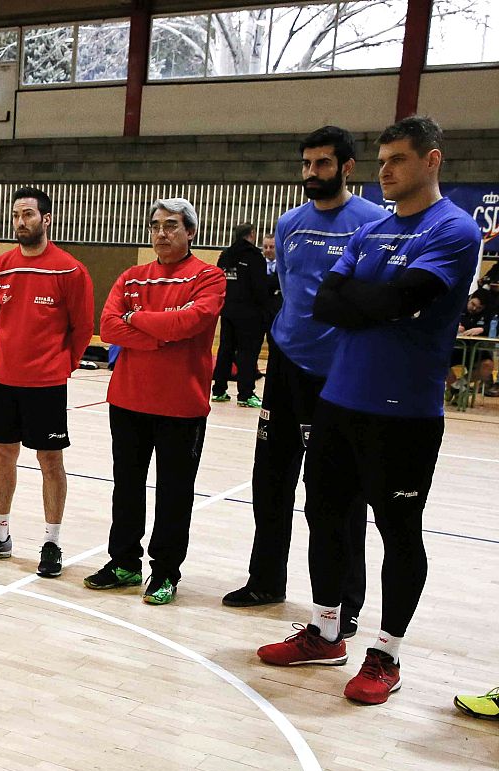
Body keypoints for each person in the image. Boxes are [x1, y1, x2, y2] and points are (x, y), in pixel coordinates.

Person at [257, 116, 482, 705]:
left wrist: (374, 301)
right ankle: (327, 632)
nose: (386, 171)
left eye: (398, 159)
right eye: (382, 160)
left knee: (398, 532)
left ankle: (386, 654)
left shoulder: (454, 230)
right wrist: (377, 303)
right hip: (339, 399)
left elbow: (402, 299)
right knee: (325, 516)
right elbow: (328, 304)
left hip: (404, 412)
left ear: (432, 160)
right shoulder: (371, 229)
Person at [223, 126, 382, 630]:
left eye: (323, 164)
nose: (312, 173)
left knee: (338, 493)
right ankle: (265, 579)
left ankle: (344, 602)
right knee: (270, 479)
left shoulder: (374, 223)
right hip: (286, 366)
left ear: (347, 167)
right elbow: (291, 290)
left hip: (339, 374)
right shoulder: (290, 222)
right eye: (307, 164)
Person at [85, 197, 225, 605]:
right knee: (127, 487)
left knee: (174, 494)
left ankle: (165, 572)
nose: (161, 233)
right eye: (155, 226)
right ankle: (124, 562)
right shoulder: (132, 277)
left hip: (182, 406)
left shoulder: (209, 276)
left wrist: (137, 320)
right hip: (128, 400)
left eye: (171, 225)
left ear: (190, 231)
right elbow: (109, 326)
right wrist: (160, 335)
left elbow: (191, 322)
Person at [0, 186, 93, 578]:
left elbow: (83, 327)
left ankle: (52, 542)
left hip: (46, 383)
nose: (21, 221)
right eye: (16, 215)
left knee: (50, 460)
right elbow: (1, 318)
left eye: (28, 214)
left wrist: (61, 365)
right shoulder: (0, 267)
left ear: (46, 219)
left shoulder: (69, 270)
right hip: (4, 379)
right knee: (3, 455)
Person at [211, 223, 267, 406]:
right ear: (252, 234)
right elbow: (260, 288)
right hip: (249, 313)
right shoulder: (254, 256)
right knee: (247, 353)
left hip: (227, 311)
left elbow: (219, 281)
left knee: (225, 350)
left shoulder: (225, 255)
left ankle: (219, 390)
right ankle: (245, 394)